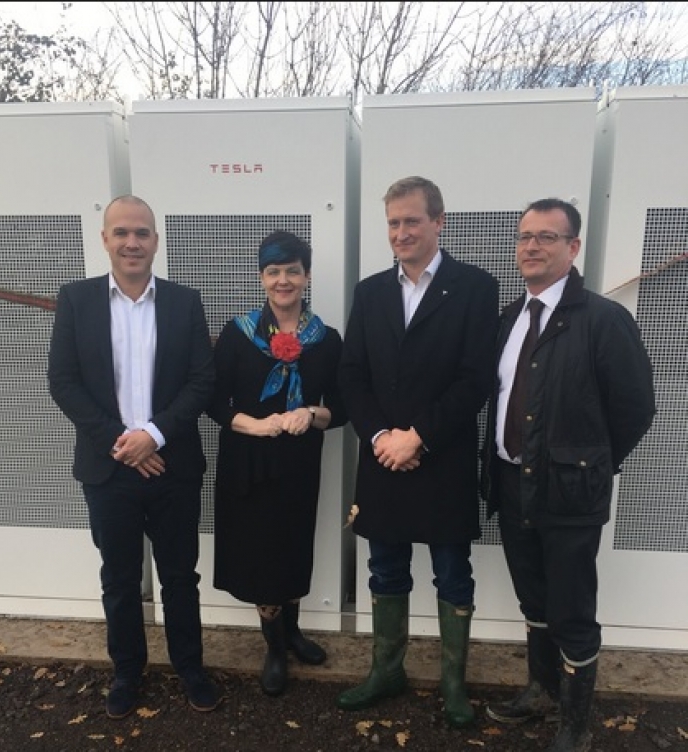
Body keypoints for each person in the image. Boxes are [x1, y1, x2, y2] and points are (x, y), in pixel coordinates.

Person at [481, 198, 655, 752]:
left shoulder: (605, 320)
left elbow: (634, 408)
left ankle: (575, 727)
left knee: (572, 609)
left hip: (570, 492)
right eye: (524, 235)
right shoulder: (510, 317)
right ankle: (543, 689)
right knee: (533, 598)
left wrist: (589, 466)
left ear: (572, 248)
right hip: (511, 484)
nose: (531, 246)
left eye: (547, 237)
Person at [47, 195, 223, 719]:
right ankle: (127, 672)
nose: (132, 242)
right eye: (121, 232)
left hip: (171, 466)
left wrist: (152, 434)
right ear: (104, 239)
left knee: (179, 577)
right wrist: (122, 443)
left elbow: (201, 380)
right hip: (109, 470)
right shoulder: (75, 301)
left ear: (155, 241)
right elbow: (63, 381)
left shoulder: (184, 302)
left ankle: (189, 666)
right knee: (119, 578)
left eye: (142, 233)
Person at [336, 176, 500, 728]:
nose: (401, 232)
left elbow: (476, 379)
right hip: (383, 460)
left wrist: (418, 437)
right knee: (385, 570)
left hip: (442, 458)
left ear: (439, 222)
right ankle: (388, 670)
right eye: (393, 223)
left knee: (453, 574)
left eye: (411, 220)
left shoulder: (475, 287)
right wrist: (382, 437)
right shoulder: (370, 292)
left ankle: (453, 682)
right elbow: (352, 376)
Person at [207, 230, 347, 697]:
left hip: (299, 464)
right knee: (262, 551)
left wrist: (310, 413)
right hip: (248, 461)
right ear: (261, 277)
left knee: (292, 545)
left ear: (306, 276)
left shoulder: (326, 340)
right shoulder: (238, 333)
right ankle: (273, 647)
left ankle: (292, 633)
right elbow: (212, 399)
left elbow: (342, 407)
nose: (282, 280)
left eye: (292, 270)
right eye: (273, 271)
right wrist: (252, 423)